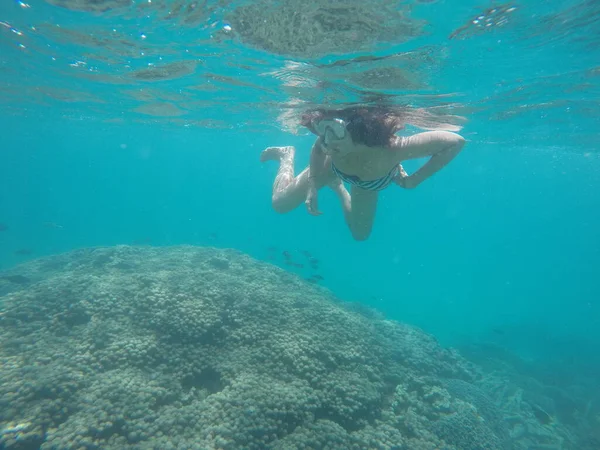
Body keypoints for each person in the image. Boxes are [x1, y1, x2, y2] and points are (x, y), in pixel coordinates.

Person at [260, 106, 466, 241]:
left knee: (360, 234)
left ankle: (339, 189)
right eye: (324, 132)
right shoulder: (329, 140)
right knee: (279, 204)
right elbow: (317, 149)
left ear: (355, 131)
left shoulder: (393, 148)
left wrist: (414, 180)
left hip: (369, 183)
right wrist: (313, 183)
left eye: (336, 133)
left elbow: (456, 143)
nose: (328, 141)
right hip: (331, 167)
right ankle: (287, 155)